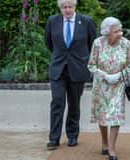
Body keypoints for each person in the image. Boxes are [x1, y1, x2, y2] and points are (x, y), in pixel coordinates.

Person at [44, 0, 96, 149]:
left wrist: (84, 60)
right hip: (58, 68)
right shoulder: (52, 21)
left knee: (74, 104)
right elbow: (48, 42)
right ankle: (54, 138)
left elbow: (93, 43)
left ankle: (72, 135)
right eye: (64, 7)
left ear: (75, 7)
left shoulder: (86, 21)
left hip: (78, 69)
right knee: (57, 102)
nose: (67, 10)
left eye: (70, 7)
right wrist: (60, 55)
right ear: (60, 8)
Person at [87, 17, 130, 160]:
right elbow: (91, 65)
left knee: (115, 115)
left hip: (118, 85)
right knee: (102, 115)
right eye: (115, 31)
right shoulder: (98, 43)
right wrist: (105, 75)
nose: (119, 33)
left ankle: (112, 149)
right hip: (101, 85)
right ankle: (104, 142)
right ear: (106, 33)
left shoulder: (126, 44)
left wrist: (120, 75)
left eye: (120, 30)